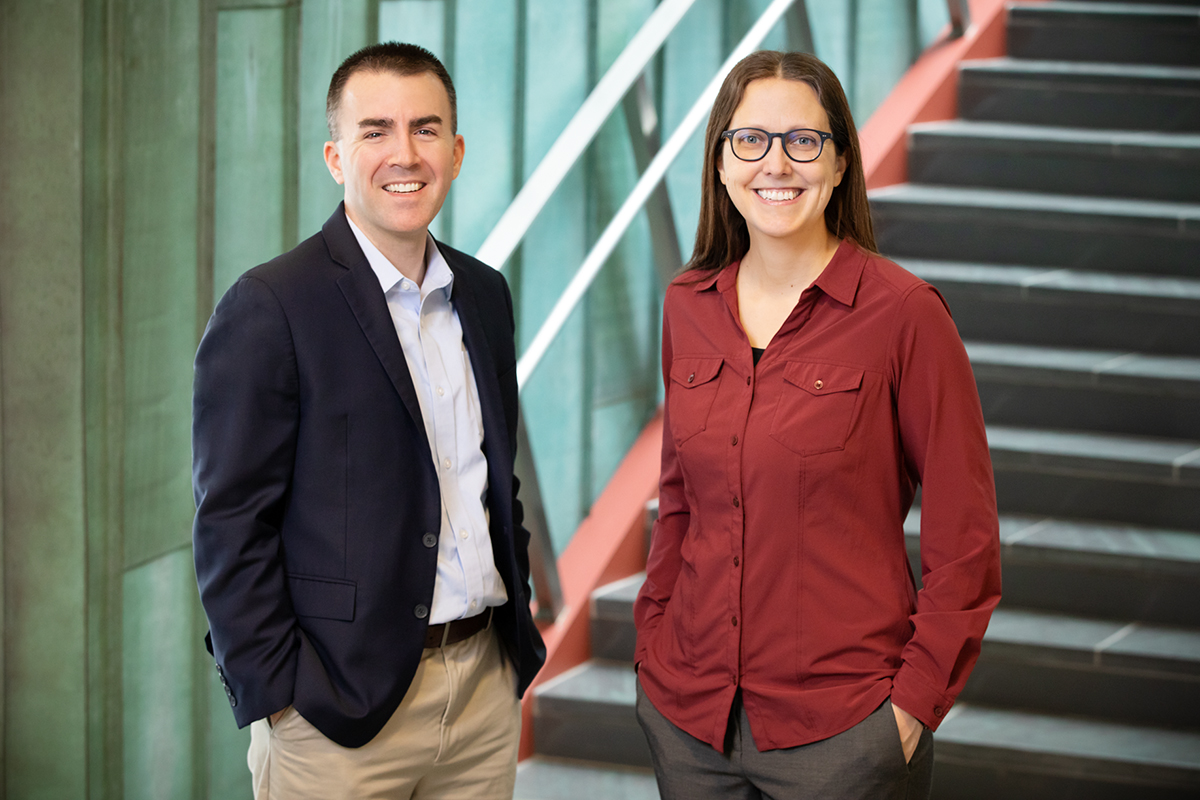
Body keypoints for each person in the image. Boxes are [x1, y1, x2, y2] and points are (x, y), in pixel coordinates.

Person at [633, 50, 1001, 800]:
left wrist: (907, 710)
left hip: (845, 736)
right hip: (689, 723)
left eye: (804, 141)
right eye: (751, 140)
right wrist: (652, 644)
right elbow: (680, 501)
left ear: (838, 166)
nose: (777, 162)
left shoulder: (905, 316)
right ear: (721, 164)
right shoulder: (687, 306)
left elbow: (966, 538)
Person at [192, 42, 545, 799]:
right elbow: (229, 523)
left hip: (482, 689)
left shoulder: (484, 295)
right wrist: (280, 695)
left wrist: (514, 644)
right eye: (376, 130)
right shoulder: (271, 306)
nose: (404, 153)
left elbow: (491, 475)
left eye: (425, 129)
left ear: (454, 150)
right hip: (336, 715)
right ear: (335, 154)